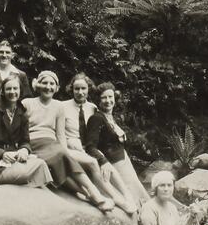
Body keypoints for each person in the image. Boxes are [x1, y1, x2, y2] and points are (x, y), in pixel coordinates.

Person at [24, 71, 116, 211]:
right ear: (37, 84)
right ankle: (92, 195)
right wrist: (24, 149)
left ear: (56, 87)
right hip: (32, 143)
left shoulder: (58, 106)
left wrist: (65, 152)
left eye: (51, 84)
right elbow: (18, 130)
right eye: (44, 83)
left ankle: (94, 194)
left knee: (63, 157)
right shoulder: (27, 103)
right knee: (57, 159)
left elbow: (60, 135)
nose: (48, 87)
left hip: (51, 143)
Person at [63, 73, 133, 211]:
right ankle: (116, 198)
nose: (80, 92)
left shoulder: (93, 107)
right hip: (72, 146)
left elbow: (97, 134)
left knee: (106, 164)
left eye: (83, 88)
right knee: (96, 162)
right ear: (72, 89)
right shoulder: (62, 107)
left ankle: (127, 195)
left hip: (88, 147)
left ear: (89, 89)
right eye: (76, 89)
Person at [0, 79, 53, 188]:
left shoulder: (22, 112)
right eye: (8, 89)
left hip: (14, 158)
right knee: (33, 170)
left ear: (20, 90)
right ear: (3, 91)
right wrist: (2, 153)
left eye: (15, 88)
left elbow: (25, 141)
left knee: (40, 164)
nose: (12, 92)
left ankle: (16, 181)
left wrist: (24, 150)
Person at [84, 83, 150, 205]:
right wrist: (103, 162)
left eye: (110, 97)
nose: (108, 101)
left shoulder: (110, 117)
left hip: (124, 161)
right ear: (98, 100)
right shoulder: (96, 118)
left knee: (138, 192)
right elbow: (90, 147)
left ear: (114, 98)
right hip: (113, 164)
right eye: (104, 97)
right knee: (130, 195)